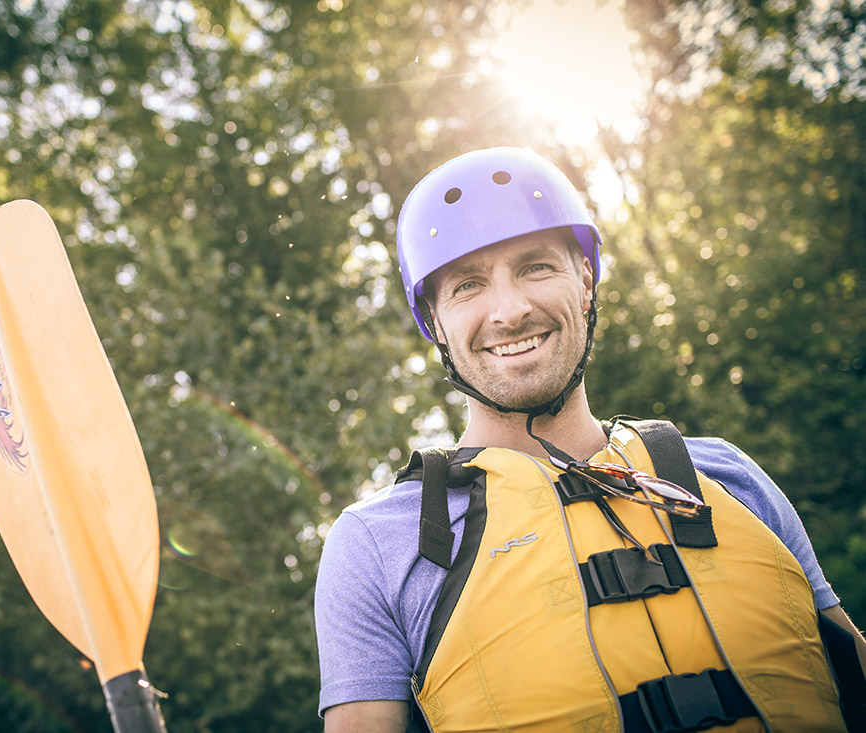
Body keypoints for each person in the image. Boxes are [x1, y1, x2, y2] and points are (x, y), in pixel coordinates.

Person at [313, 147, 866, 732]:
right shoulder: (376, 544)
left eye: (536, 267)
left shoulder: (726, 474)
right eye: (468, 284)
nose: (510, 310)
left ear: (584, 280)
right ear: (434, 323)